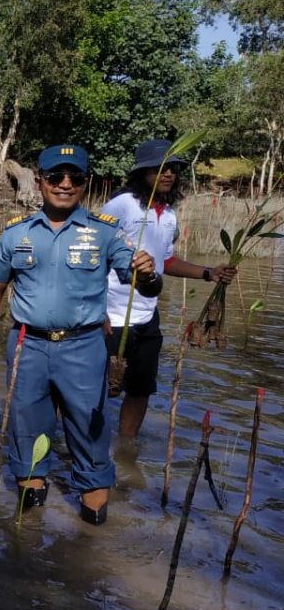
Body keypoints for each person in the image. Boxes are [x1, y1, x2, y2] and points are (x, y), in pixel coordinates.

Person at [0, 144, 160, 526]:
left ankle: (91, 535)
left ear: (86, 184)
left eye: (75, 177)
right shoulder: (15, 234)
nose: (65, 184)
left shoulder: (105, 233)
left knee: (90, 434)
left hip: (84, 348)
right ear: (39, 181)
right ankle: (29, 533)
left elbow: (145, 285)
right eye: (56, 176)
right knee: (26, 431)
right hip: (27, 346)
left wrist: (148, 272)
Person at [102, 139, 237, 438]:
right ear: (142, 172)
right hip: (111, 315)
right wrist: (97, 311)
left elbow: (166, 260)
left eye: (173, 169)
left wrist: (207, 273)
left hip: (147, 315)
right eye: (160, 169)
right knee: (96, 391)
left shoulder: (169, 214)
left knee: (141, 389)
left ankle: (126, 453)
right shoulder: (121, 204)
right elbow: (94, 253)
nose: (169, 175)